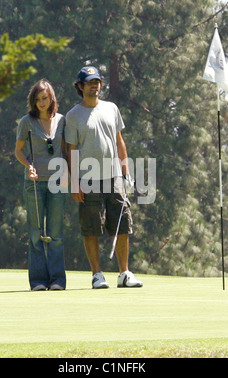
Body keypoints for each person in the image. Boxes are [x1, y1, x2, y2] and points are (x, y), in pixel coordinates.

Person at [65, 66, 143, 289]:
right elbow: (71, 150)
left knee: (122, 224)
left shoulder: (111, 108)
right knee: (91, 227)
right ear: (80, 86)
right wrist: (74, 182)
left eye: (97, 81)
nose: (94, 85)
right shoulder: (73, 115)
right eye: (90, 82)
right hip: (88, 179)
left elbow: (119, 141)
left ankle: (124, 273)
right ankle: (97, 275)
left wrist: (126, 172)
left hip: (115, 176)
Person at [15, 79, 66, 291]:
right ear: (33, 102)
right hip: (34, 184)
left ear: (51, 98)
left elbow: (68, 149)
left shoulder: (63, 121)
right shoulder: (26, 122)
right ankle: (37, 281)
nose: (41, 103)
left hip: (57, 183)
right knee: (36, 234)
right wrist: (29, 166)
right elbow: (18, 151)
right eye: (37, 99)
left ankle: (56, 281)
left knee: (55, 235)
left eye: (44, 98)